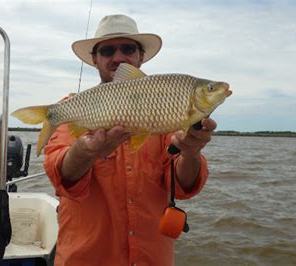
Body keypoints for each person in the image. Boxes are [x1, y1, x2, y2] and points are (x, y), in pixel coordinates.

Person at [43, 14, 217, 266]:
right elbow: (61, 178)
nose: (118, 57)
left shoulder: (164, 109)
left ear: (140, 57)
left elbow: (182, 186)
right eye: (107, 50)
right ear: (95, 59)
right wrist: (84, 153)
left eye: (127, 48)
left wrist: (191, 152)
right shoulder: (71, 109)